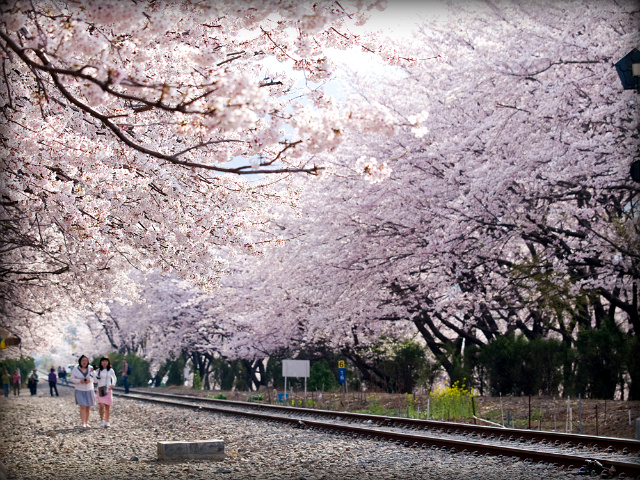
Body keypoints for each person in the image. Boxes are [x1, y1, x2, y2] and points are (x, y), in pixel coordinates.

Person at [70, 355, 95, 428]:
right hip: (79, 389)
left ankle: (87, 422)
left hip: (89, 389)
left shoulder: (90, 368)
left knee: (88, 407)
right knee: (82, 406)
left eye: (86, 361)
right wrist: (79, 381)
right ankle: (83, 422)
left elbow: (95, 378)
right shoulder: (76, 368)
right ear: (80, 361)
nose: (84, 362)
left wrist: (89, 380)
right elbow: (72, 378)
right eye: (83, 361)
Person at [94, 357, 117, 427]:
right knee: (101, 405)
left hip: (108, 390)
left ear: (108, 362)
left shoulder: (110, 370)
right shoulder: (98, 370)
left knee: (107, 406)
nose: (104, 363)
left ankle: (107, 421)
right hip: (100, 389)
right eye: (103, 361)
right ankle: (101, 420)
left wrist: (112, 385)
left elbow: (114, 378)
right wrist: (93, 373)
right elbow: (95, 380)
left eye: (106, 361)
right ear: (101, 362)